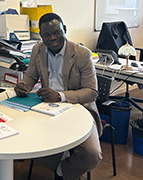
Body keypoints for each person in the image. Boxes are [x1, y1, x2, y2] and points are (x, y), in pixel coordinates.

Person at [14, 13, 102, 180]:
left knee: (92, 154)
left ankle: (62, 171)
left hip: (79, 108)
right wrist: (24, 86)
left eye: (57, 32)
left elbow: (91, 92)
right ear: (41, 35)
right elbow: (31, 76)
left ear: (64, 30)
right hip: (45, 108)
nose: (52, 38)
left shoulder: (82, 54)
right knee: (20, 137)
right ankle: (61, 159)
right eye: (46, 35)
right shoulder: (37, 49)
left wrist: (60, 96)